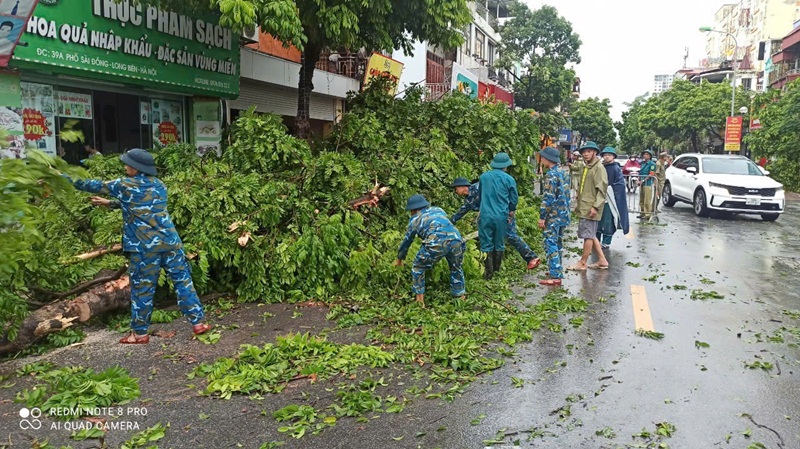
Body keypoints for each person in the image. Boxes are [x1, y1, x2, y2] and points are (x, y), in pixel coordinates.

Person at [63, 148, 212, 344]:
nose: (125, 167)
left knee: (142, 289)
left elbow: (89, 184)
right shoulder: (159, 185)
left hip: (145, 248)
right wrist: (111, 203)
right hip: (170, 243)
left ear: (135, 167)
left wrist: (60, 177)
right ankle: (198, 322)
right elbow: (142, 204)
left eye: (127, 164)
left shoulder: (124, 184)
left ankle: (139, 334)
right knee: (183, 282)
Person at [451, 177, 540, 270]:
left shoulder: (479, 187)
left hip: (503, 212)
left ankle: (532, 257)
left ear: (462, 187)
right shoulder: (469, 198)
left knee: (510, 235)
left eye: (456, 189)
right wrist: (450, 221)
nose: (456, 191)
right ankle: (494, 269)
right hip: (493, 216)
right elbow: (462, 211)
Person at [394, 194, 466, 308]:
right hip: (457, 240)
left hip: (436, 243)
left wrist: (400, 258)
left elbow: (407, 241)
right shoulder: (438, 210)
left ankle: (419, 301)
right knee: (456, 267)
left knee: (418, 267)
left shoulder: (415, 220)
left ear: (412, 210)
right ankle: (460, 297)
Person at [568, 141, 609, 271]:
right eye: (584, 152)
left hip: (591, 207)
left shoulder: (598, 168)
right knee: (591, 234)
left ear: (595, 152)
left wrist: (595, 207)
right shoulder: (587, 167)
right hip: (585, 206)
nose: (586, 154)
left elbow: (602, 190)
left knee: (587, 235)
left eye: (589, 151)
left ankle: (583, 262)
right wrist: (578, 204)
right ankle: (602, 260)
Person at [478, 152, 518, 280]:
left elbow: (480, 195)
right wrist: (511, 209)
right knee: (499, 243)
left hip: (485, 215)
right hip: (501, 216)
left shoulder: (483, 177)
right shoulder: (509, 179)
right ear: (506, 166)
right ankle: (497, 271)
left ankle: (488, 274)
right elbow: (514, 199)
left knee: (485, 243)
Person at [536, 147, 570, 286]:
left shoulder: (551, 175)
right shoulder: (564, 172)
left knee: (550, 242)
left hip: (553, 215)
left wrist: (542, 216)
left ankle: (556, 275)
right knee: (558, 242)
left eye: (542, 157)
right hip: (563, 214)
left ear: (547, 159)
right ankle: (556, 268)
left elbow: (548, 198)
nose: (541, 160)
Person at [596, 147, 630, 248]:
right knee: (598, 220)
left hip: (610, 199)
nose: (606, 157)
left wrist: (609, 188)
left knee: (608, 221)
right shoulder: (600, 167)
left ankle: (606, 242)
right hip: (599, 198)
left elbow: (620, 184)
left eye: (609, 155)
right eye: (605, 155)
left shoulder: (615, 169)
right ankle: (596, 241)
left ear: (613, 157)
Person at [638, 149, 657, 219]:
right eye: (644, 154)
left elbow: (651, 174)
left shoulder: (652, 164)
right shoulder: (642, 163)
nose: (645, 156)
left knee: (647, 200)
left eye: (647, 154)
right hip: (642, 183)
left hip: (648, 183)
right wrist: (638, 180)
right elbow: (640, 173)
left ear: (650, 156)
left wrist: (642, 180)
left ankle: (647, 214)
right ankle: (642, 213)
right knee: (641, 200)